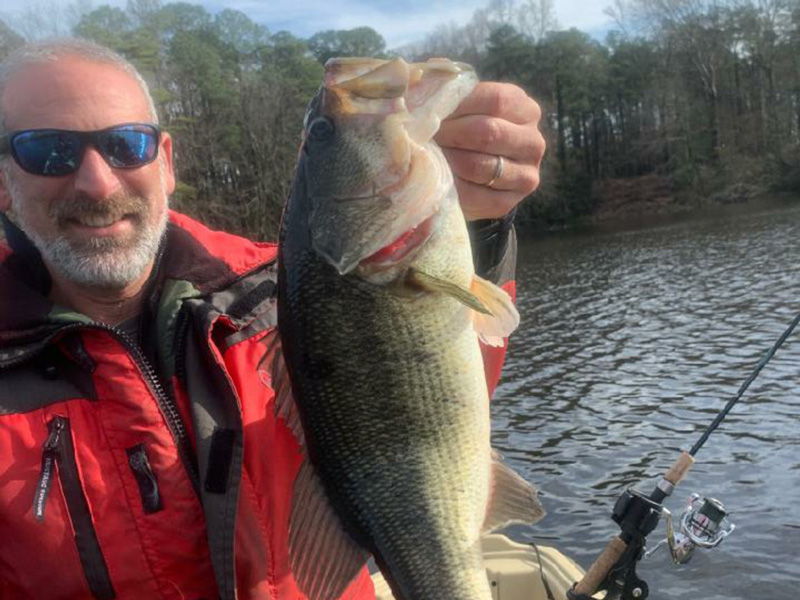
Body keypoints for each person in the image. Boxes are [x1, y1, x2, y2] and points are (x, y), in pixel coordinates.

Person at [0, 38, 545, 600]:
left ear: (165, 163)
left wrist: (479, 227)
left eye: (125, 144)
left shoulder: (270, 296)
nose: (97, 182)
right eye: (49, 152)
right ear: (2, 184)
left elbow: (446, 394)